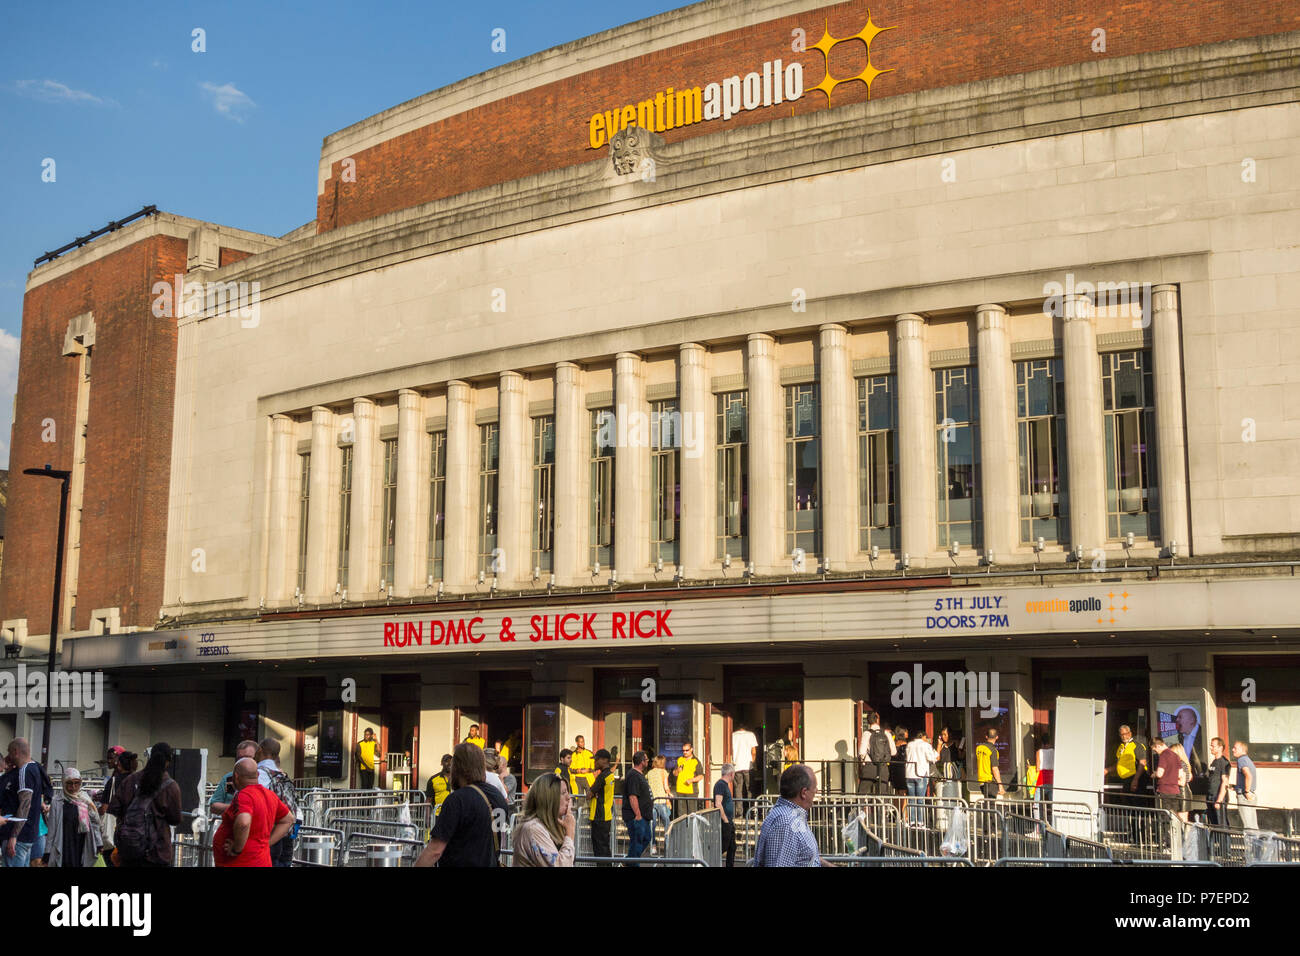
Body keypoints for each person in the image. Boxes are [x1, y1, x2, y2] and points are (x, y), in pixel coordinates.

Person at [415, 742, 510, 867]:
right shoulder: (498, 797)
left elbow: (435, 851)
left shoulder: (457, 800)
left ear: (458, 767)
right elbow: (498, 839)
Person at [108, 742, 183, 867]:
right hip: (157, 851)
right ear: (168, 761)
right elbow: (175, 819)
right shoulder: (170, 786)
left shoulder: (130, 780)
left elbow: (115, 808)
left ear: (150, 757)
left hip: (129, 850)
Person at [213, 758, 294, 868]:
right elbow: (289, 819)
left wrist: (237, 849)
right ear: (258, 774)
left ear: (236, 776)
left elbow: (244, 822)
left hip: (241, 862)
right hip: (261, 860)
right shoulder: (270, 795)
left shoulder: (244, 795)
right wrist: (266, 843)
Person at [751, 764, 830, 867]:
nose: (816, 791)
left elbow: (804, 855)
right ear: (804, 793)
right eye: (815, 788)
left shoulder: (792, 816)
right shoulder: (785, 823)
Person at [44, 768, 104, 868]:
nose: (73, 787)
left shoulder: (85, 799)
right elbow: (52, 829)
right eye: (69, 783)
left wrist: (98, 843)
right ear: (64, 783)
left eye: (76, 783)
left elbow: (94, 823)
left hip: (82, 842)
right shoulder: (57, 801)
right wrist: (47, 851)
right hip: (64, 842)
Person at [513, 773, 576, 867]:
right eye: (563, 793)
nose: (568, 798)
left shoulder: (551, 825)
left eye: (568, 792)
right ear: (548, 799)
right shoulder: (533, 829)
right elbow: (559, 864)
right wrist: (569, 834)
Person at [2, 738, 46, 867]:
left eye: (9, 752)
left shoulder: (24, 771)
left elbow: (25, 804)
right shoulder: (35, 768)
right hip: (30, 834)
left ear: (15, 751)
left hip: (19, 837)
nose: (8, 757)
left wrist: (14, 836)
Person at [256, 738, 299, 866]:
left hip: (269, 835)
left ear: (260, 750)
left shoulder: (260, 774)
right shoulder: (282, 775)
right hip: (287, 834)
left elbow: (257, 801)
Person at [209, 740, 259, 817]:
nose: (243, 761)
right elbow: (214, 806)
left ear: (257, 757)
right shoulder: (229, 778)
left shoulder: (264, 778)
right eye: (239, 758)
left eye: (247, 757)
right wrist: (235, 808)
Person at [623, 750, 653, 864]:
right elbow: (632, 796)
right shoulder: (633, 775)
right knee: (637, 842)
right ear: (642, 762)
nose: (648, 762)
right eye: (646, 760)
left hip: (644, 817)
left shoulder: (639, 775)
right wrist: (638, 815)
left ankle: (628, 862)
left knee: (646, 838)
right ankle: (631, 863)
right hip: (636, 817)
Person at [1105, 725, 1149, 803]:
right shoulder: (1121, 747)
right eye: (1122, 734)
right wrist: (1107, 770)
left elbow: (1142, 762)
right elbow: (1119, 764)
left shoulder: (1136, 745)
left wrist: (1135, 780)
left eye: (1126, 733)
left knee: (1137, 805)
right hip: (1127, 780)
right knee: (1128, 804)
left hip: (1137, 778)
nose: (1124, 736)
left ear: (1130, 733)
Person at [905, 730, 939, 825]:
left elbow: (907, 756)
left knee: (911, 799)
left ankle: (912, 821)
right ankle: (920, 822)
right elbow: (932, 758)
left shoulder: (909, 745)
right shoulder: (925, 745)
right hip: (920, 774)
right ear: (923, 737)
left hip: (909, 774)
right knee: (920, 799)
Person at [587, 749, 614, 865]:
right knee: (605, 848)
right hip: (606, 815)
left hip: (598, 816)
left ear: (604, 760)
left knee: (599, 850)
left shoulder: (602, 776)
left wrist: (593, 793)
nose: (594, 763)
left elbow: (588, 795)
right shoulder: (610, 775)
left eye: (596, 760)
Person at [858, 712, 895, 796]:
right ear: (877, 720)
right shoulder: (886, 733)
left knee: (862, 793)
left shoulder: (867, 733)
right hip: (883, 767)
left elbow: (862, 752)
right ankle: (882, 809)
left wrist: (862, 762)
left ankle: (860, 808)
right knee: (882, 794)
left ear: (868, 721)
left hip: (869, 767)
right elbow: (893, 752)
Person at [1151, 738, 1183, 819]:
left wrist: (1154, 774)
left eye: (1154, 749)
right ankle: (1175, 831)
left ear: (1158, 746)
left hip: (1164, 790)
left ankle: (1167, 831)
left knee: (1165, 817)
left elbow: (1160, 774)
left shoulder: (1163, 755)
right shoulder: (1175, 755)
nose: (1155, 751)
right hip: (1175, 791)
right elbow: (1180, 774)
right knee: (1175, 817)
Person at [1230, 741, 1258, 830]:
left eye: (1235, 748)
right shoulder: (1247, 759)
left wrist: (1246, 791)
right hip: (1250, 794)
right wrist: (1236, 787)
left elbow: (1248, 775)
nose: (1232, 750)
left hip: (1245, 796)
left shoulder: (1241, 760)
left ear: (1242, 750)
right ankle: (1256, 843)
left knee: (1248, 827)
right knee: (1252, 825)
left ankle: (1252, 844)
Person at [671, 742, 704, 817]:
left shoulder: (695, 761)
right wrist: (677, 771)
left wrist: (691, 780)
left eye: (687, 750)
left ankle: (691, 828)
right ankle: (683, 828)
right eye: (683, 750)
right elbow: (674, 773)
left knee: (691, 813)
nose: (684, 752)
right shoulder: (680, 759)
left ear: (691, 750)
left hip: (691, 791)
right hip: (680, 790)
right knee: (681, 814)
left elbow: (701, 776)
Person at [645, 753, 672, 845]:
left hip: (652, 801)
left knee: (652, 824)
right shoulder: (663, 772)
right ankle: (667, 844)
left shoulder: (649, 773)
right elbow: (666, 787)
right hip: (661, 800)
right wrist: (669, 794)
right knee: (666, 821)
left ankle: (653, 845)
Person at [713, 762, 737, 867]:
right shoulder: (720, 785)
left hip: (728, 821)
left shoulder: (724, 785)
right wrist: (725, 820)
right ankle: (710, 863)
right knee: (723, 846)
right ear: (731, 774)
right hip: (724, 821)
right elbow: (718, 803)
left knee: (732, 846)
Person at [1206, 737, 1231, 826]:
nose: (1211, 748)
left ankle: (1224, 840)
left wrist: (1219, 800)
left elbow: (1225, 782)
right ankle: (1217, 840)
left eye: (1213, 746)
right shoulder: (1214, 762)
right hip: (1210, 796)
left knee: (1221, 824)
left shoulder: (1224, 762)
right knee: (1214, 824)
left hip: (1218, 797)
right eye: (1211, 746)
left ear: (1220, 748)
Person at [731, 723, 758, 800]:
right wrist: (753, 762)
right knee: (750, 788)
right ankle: (751, 809)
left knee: (738, 789)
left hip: (737, 765)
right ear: (746, 727)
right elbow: (754, 752)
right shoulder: (751, 735)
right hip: (748, 766)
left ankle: (739, 811)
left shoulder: (733, 735)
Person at [976, 728, 1003, 800]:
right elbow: (995, 768)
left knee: (987, 804)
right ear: (997, 737)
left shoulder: (979, 748)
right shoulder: (993, 750)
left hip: (981, 781)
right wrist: (1000, 785)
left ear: (986, 736)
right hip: (990, 781)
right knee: (991, 805)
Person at [1170, 741, 1192, 823]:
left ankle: (1185, 836)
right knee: (1176, 820)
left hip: (1182, 793)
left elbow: (1182, 782)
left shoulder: (1181, 764)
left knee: (1182, 820)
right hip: (1176, 793)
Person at [1035, 731, 1055, 803]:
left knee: (1036, 802)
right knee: (1052, 802)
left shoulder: (1039, 752)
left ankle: (1037, 814)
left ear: (1042, 742)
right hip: (1052, 778)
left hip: (1042, 778)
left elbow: (1037, 768)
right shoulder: (1054, 751)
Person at [890, 726, 910, 796]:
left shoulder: (894, 745)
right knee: (903, 791)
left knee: (897, 791)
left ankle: (896, 807)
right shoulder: (905, 746)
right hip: (903, 770)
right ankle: (903, 807)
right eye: (906, 731)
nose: (908, 733)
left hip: (894, 770)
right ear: (903, 733)